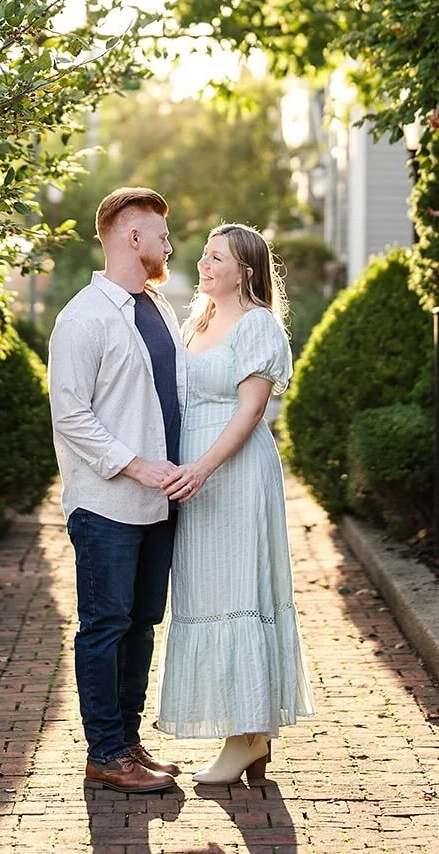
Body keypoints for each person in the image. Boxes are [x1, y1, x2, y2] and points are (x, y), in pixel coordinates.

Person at [156, 222, 314, 783]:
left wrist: (202, 467)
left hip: (235, 472)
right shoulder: (196, 320)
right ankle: (248, 734)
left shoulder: (258, 327)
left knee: (240, 590)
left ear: (245, 270)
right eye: (203, 254)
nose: (203, 263)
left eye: (215, 257)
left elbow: (250, 413)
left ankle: (246, 735)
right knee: (204, 592)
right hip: (194, 475)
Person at [47, 186, 187, 793]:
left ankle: (127, 744)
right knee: (104, 625)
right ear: (132, 238)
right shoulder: (83, 317)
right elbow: (71, 415)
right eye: (160, 234)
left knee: (141, 623)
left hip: (160, 501)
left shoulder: (160, 309)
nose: (168, 245)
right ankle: (104, 753)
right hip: (106, 503)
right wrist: (137, 465)